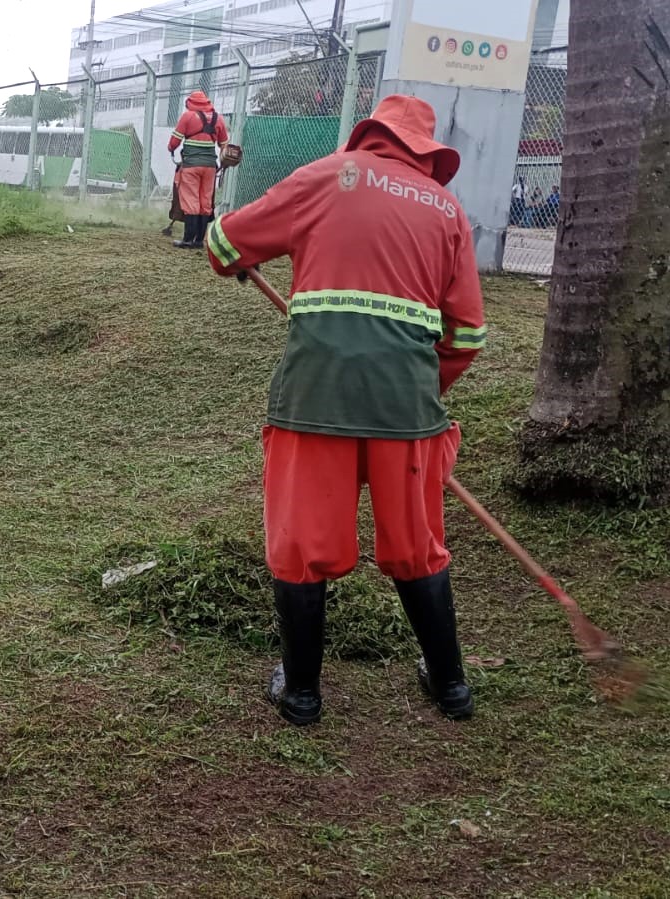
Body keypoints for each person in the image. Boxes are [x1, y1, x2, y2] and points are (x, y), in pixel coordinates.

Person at [203, 94, 486, 726]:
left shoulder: (326, 175)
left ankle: (302, 695)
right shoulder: (447, 209)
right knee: (417, 549)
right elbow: (466, 335)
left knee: (304, 545)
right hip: (407, 409)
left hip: (314, 401)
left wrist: (237, 250)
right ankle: (452, 688)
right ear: (427, 152)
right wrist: (415, 389)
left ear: (371, 135)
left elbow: (223, 246)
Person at [167, 90, 229, 249]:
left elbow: (175, 141)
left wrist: (171, 148)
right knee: (205, 202)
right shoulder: (218, 118)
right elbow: (224, 144)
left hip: (191, 165)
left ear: (191, 103)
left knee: (191, 200)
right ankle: (199, 241)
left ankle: (188, 239)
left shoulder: (188, 116)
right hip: (210, 167)